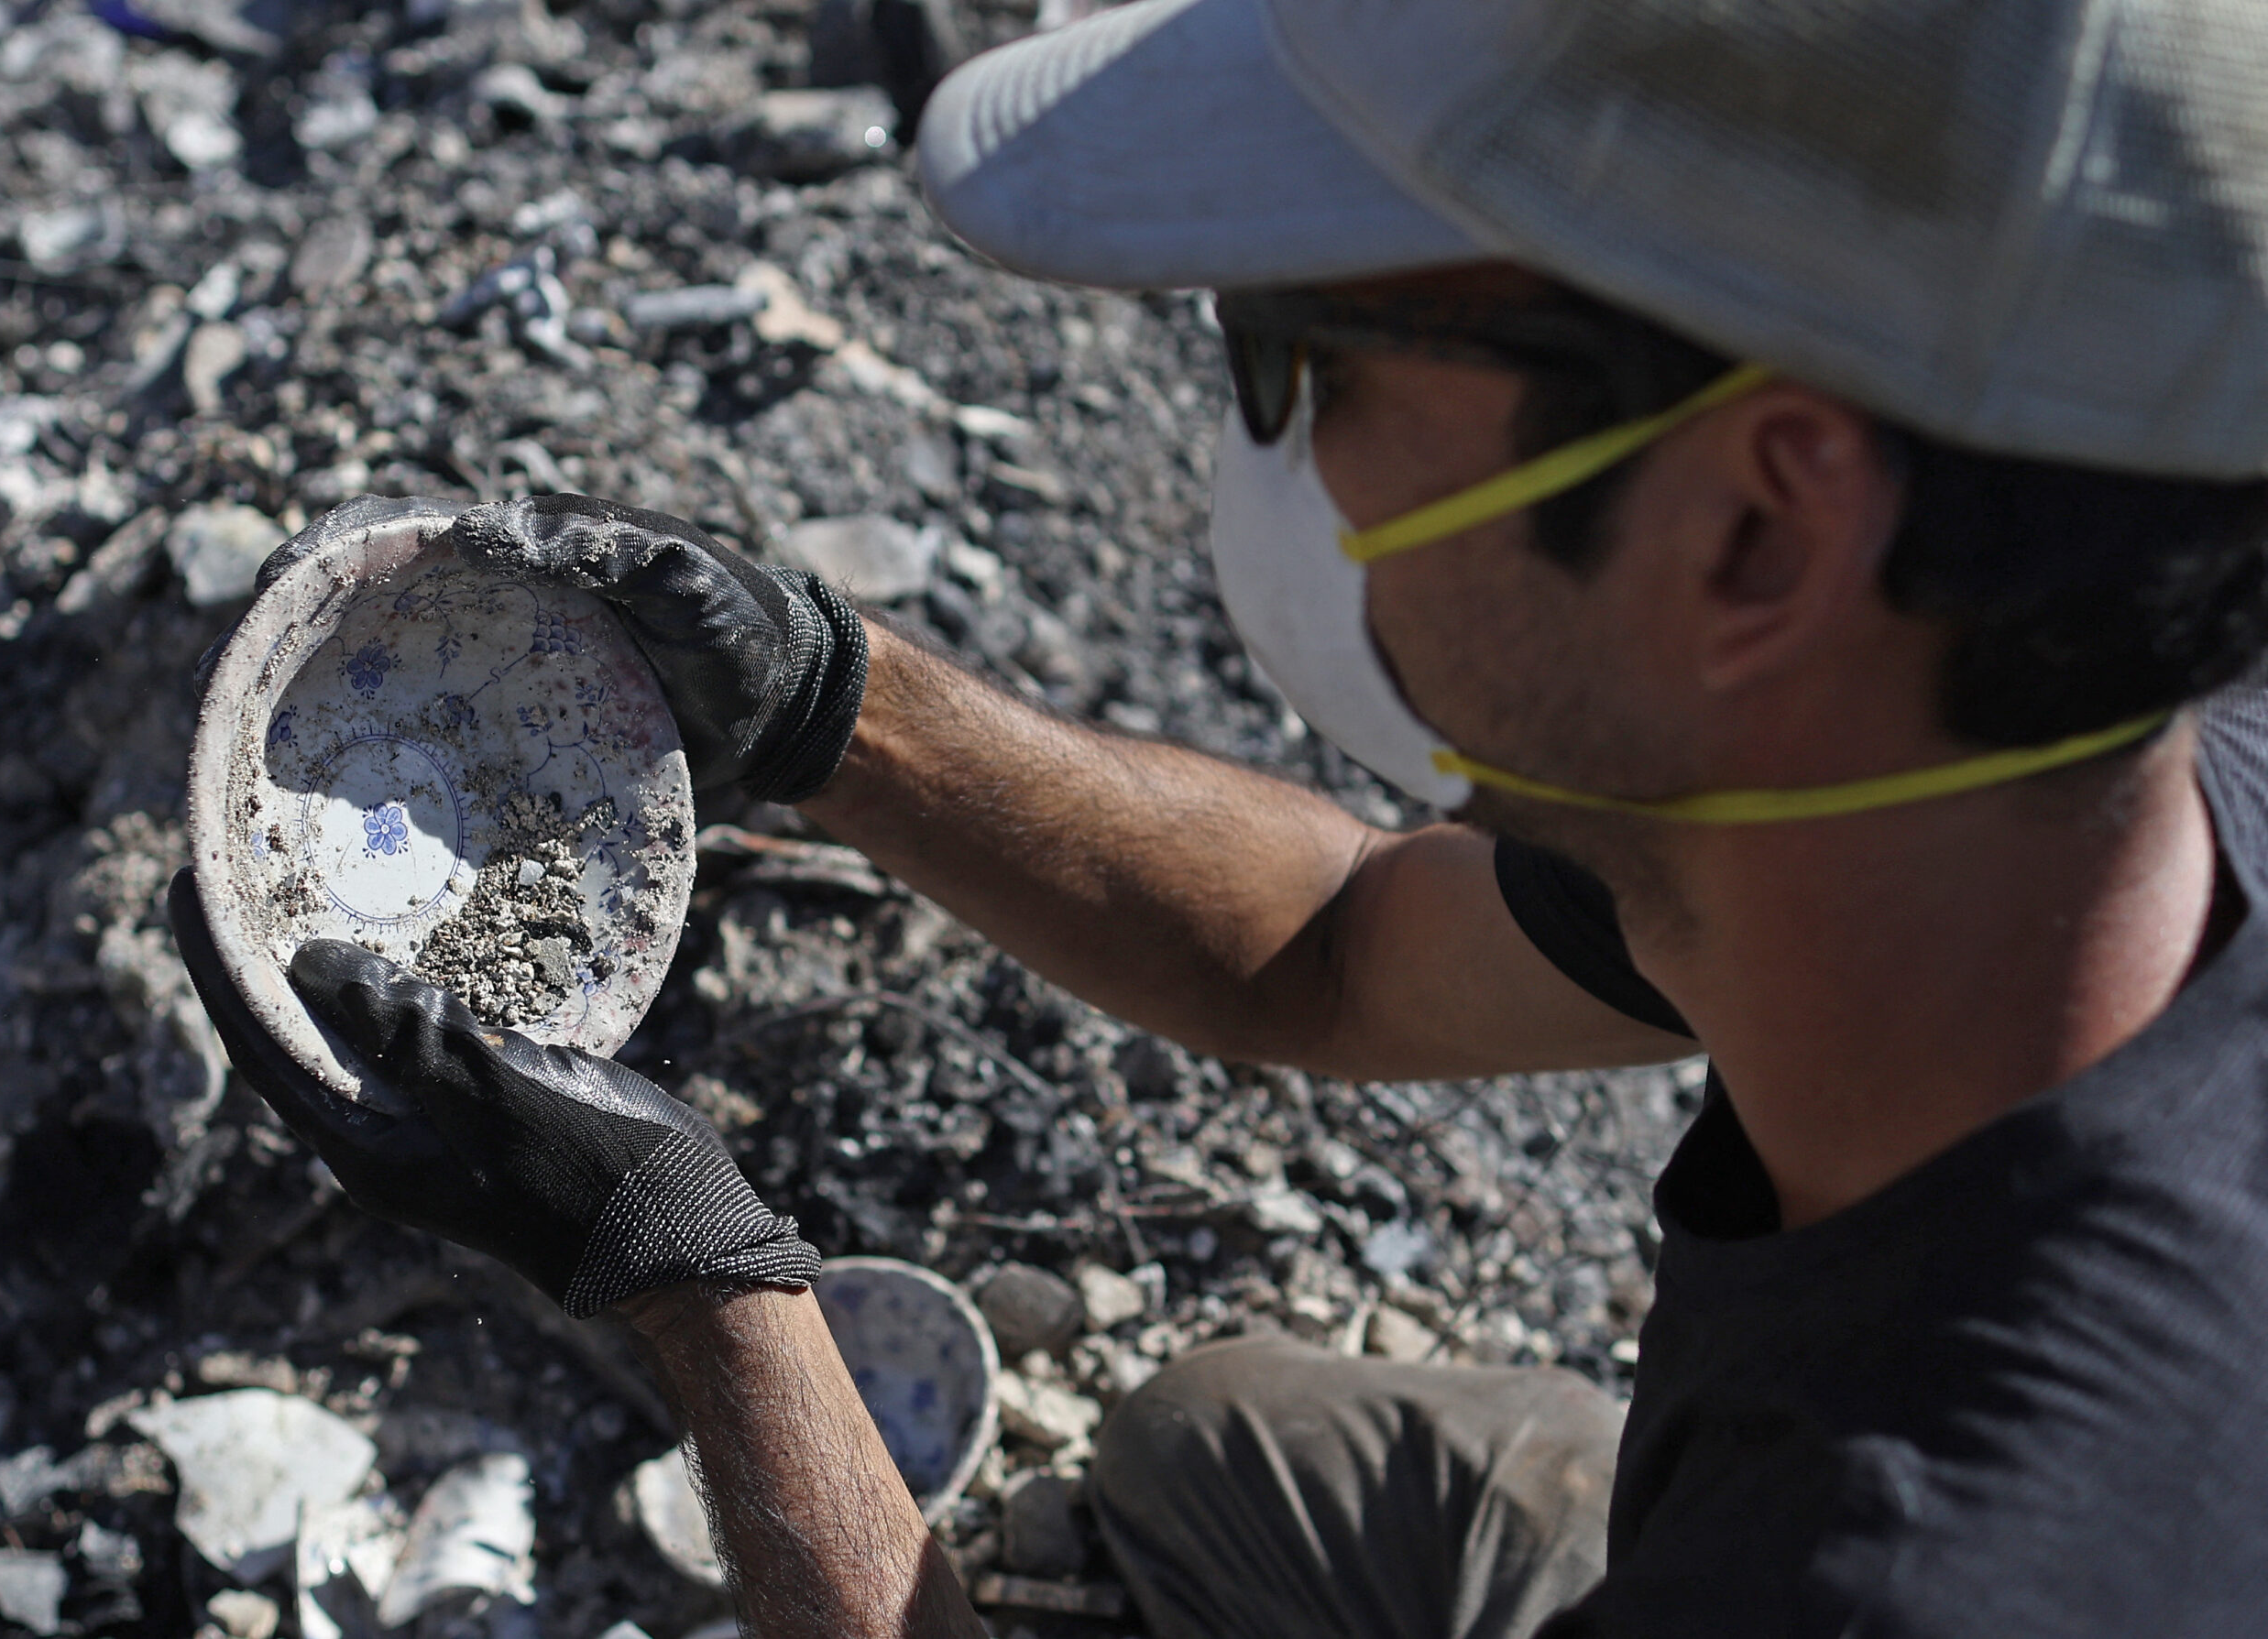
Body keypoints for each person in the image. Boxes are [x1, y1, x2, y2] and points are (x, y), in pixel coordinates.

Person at [170, 0, 2268, 1633]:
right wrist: (835, 703)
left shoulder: (1931, 1574)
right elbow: (1341, 943)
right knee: (1223, 1455)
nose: (1277, 448)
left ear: (1750, 524)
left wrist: (699, 1294)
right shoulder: (1968, 794)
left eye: (1300, 349)